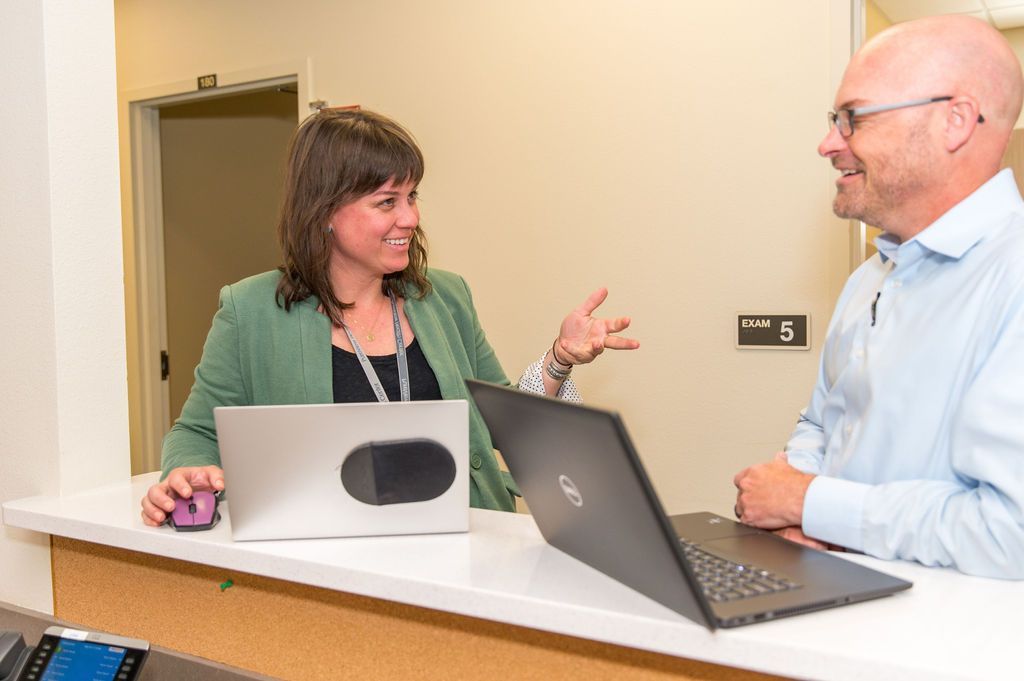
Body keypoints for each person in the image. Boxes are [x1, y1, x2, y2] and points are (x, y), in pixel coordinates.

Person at [141, 109, 638, 525]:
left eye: (412, 196)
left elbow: (505, 421)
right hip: (332, 558)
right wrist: (188, 472)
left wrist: (558, 360)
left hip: (462, 544)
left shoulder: (445, 296)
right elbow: (197, 433)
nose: (411, 218)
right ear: (325, 213)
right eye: (387, 202)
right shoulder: (249, 311)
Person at [733, 15, 1024, 579]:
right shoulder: (871, 276)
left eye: (852, 119)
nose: (827, 144)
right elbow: (822, 422)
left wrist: (810, 504)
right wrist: (793, 505)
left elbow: (1010, 533)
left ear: (955, 121)